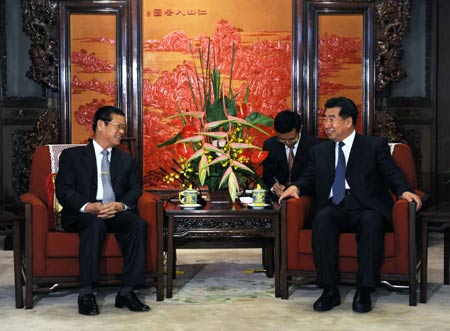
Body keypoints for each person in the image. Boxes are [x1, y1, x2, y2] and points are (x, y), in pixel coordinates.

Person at [279, 97, 422, 313]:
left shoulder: (373, 146)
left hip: (365, 206)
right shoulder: (320, 150)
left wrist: (404, 191)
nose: (326, 124)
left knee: (372, 222)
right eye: (324, 118)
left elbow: (391, 173)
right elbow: (309, 176)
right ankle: (329, 290)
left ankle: (364, 290)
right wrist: (296, 188)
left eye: (331, 119)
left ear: (348, 122)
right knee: (322, 220)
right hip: (334, 206)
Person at [55, 106, 150, 316]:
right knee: (95, 223)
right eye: (119, 126)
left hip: (113, 209)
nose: (122, 132)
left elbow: (135, 190)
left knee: (137, 224)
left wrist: (120, 205)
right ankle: (86, 293)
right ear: (100, 125)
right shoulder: (72, 156)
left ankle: (127, 291)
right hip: (83, 212)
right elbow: (64, 190)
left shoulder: (126, 160)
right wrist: (88, 206)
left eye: (124, 128)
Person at [262, 110, 318, 198]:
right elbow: (267, 174)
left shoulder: (314, 146)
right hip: (278, 198)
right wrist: (274, 186)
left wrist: (291, 188)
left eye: (292, 139)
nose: (287, 142)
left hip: (304, 198)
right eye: (282, 140)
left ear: (300, 129)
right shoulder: (270, 145)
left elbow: (313, 177)